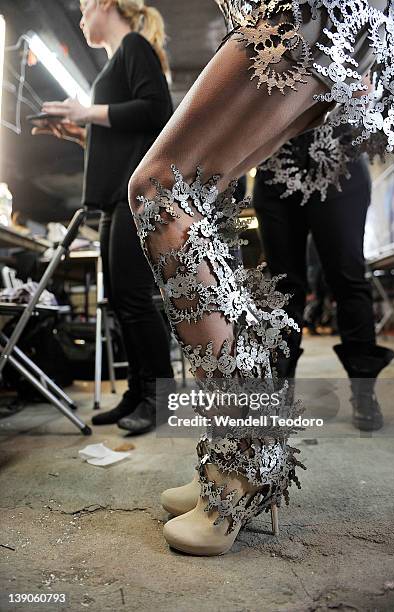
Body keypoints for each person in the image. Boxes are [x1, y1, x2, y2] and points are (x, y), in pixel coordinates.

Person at [125, 0, 394, 555]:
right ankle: (236, 451)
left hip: (300, 14)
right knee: (191, 202)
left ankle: (243, 465)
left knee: (158, 192)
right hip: (327, 26)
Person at [33, 0, 175, 435]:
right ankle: (137, 391)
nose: (80, 18)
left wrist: (84, 112)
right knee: (119, 299)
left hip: (136, 195)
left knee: (133, 297)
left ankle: (158, 397)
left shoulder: (134, 45)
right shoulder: (118, 60)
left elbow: (156, 110)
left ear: (107, 5)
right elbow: (122, 137)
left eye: (84, 8)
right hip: (116, 195)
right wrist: (81, 132)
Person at [253, 125, 394, 432]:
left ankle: (363, 392)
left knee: (347, 278)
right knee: (282, 287)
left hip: (338, 159)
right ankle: (278, 392)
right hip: (276, 163)